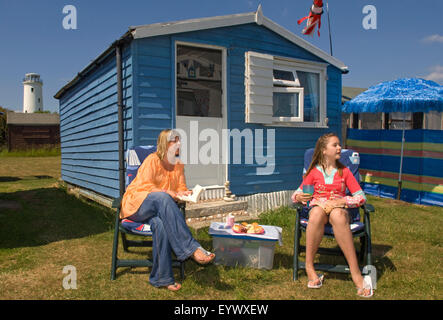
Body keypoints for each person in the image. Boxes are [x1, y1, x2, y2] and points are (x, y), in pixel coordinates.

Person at [121, 129, 215, 291]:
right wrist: (168, 193)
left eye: (179, 140)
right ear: (164, 143)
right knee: (162, 198)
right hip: (138, 205)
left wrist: (183, 193)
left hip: (159, 211)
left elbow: (180, 187)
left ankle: (161, 278)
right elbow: (144, 186)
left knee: (162, 226)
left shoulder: (178, 164)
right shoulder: (152, 160)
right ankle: (191, 248)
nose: (178, 143)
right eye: (174, 140)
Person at [291, 133, 373, 298]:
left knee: (338, 215)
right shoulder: (313, 172)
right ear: (323, 150)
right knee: (315, 213)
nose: (339, 148)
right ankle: (309, 267)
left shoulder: (345, 172)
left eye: (339, 145)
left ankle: (356, 273)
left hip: (338, 208)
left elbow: (361, 197)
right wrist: (298, 197)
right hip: (318, 208)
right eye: (335, 145)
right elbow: (297, 194)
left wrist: (343, 201)